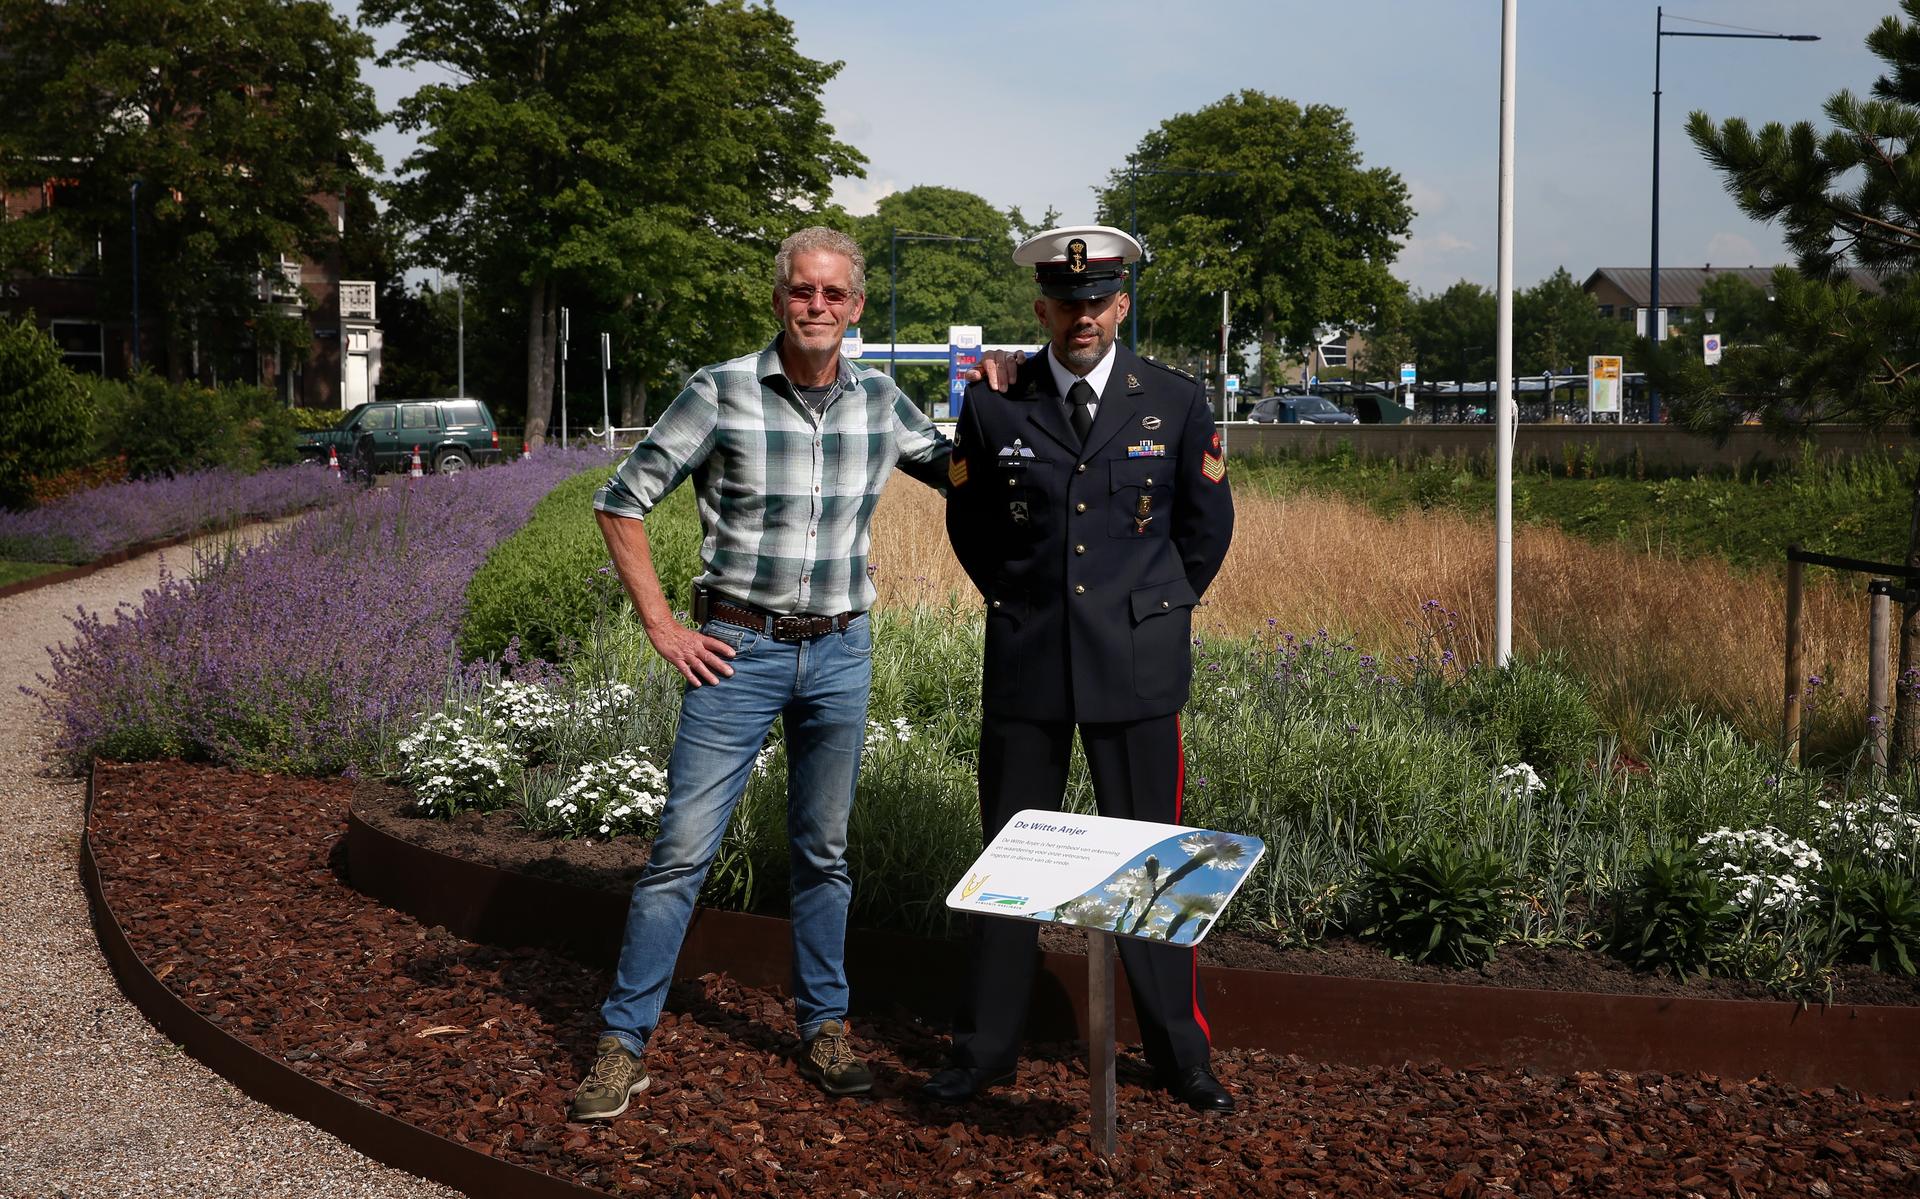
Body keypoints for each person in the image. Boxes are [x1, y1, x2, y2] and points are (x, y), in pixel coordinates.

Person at [569, 226, 953, 1121]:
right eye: (801, 292)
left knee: (824, 853)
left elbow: (965, 472)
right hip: (736, 654)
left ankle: (825, 1024)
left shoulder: (882, 401)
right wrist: (664, 627)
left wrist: (1017, 407)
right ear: (779, 299)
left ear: (856, 308)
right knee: (679, 854)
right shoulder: (721, 392)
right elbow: (620, 500)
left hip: (841, 652)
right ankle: (621, 1044)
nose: (816, 307)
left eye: (833, 294)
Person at [932, 225, 1237, 1113]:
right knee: (1008, 865)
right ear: (1041, 309)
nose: (1082, 316)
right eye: (1065, 303)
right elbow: (972, 524)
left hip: (1137, 672)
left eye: (1097, 301)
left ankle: (1183, 1056)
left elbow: (1205, 531)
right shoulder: (995, 403)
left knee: (1153, 869)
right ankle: (985, 1049)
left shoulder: (1173, 402)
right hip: (1029, 662)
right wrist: (1027, 602)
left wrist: (1150, 612)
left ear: (1121, 305)